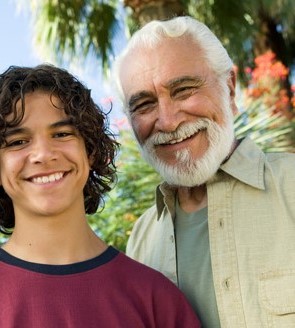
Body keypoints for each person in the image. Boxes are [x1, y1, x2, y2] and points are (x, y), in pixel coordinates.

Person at [114, 16, 295, 328]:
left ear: (230, 88)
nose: (167, 121)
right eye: (144, 105)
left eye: (183, 90)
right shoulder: (141, 240)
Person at [0, 64, 201, 328]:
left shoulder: (155, 300)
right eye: (17, 141)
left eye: (61, 134)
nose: (43, 154)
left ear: (91, 151)